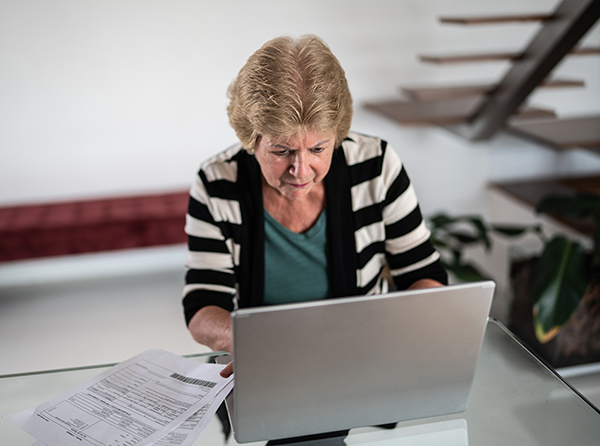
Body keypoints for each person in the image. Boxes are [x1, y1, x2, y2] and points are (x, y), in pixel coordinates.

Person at [183, 35, 447, 379]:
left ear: (337, 135)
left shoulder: (376, 165)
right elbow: (203, 305)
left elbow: (422, 274)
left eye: (319, 149)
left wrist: (394, 333)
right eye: (282, 151)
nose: (301, 170)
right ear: (251, 139)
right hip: (265, 368)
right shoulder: (216, 183)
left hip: (365, 365)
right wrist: (256, 343)